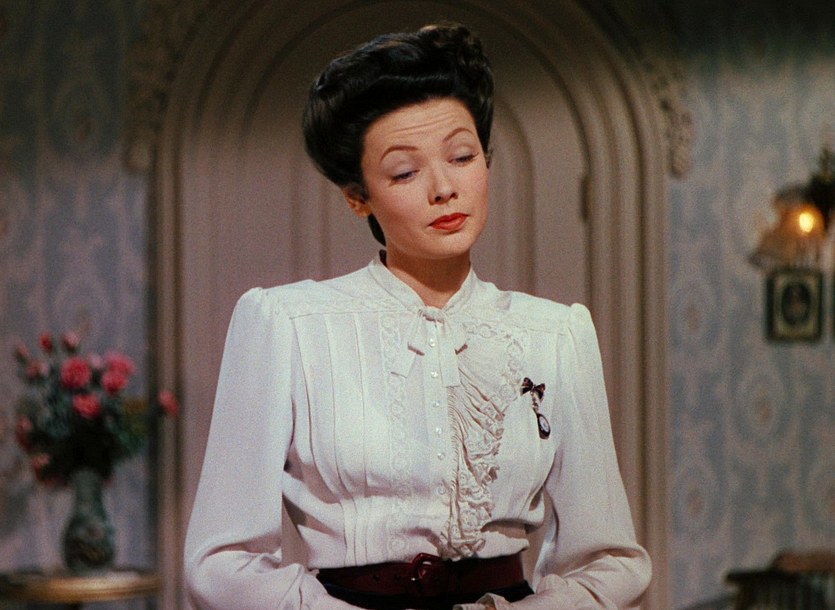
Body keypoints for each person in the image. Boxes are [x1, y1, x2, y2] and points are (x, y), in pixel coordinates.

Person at [184, 22, 651, 610]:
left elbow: (610, 560)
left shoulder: (556, 334)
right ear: (358, 197)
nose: (444, 188)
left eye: (462, 157)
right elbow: (221, 563)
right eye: (405, 172)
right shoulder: (287, 325)